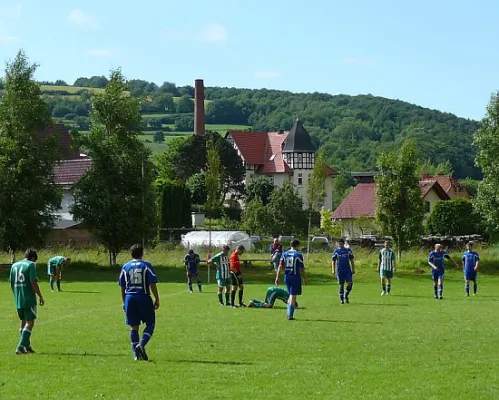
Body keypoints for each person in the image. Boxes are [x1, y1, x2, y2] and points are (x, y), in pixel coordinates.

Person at [119, 244, 160, 361]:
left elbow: (122, 286)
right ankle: (141, 345)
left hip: (129, 298)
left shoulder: (125, 266)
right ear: (142, 253)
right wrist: (157, 298)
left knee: (134, 327)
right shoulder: (146, 265)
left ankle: (136, 355)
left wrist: (123, 301)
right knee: (150, 324)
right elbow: (152, 283)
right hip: (143, 297)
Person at [9, 249, 45, 354]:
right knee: (30, 322)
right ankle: (20, 347)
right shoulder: (30, 265)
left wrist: (16, 295)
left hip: (18, 298)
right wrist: (40, 296)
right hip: (29, 298)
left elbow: (11, 283)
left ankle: (27, 346)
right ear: (33, 258)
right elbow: (33, 281)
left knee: (23, 321)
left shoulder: (14, 265)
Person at [275, 239, 306, 320]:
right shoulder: (298, 255)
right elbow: (301, 268)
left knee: (290, 295)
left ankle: (289, 313)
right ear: (297, 245)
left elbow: (280, 266)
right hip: (295, 277)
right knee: (293, 296)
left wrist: (277, 277)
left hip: (287, 277)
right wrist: (304, 278)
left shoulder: (284, 254)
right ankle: (290, 315)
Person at [332, 238, 355, 304]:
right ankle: (341, 299)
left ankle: (346, 294)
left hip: (347, 270)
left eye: (341, 244)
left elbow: (352, 260)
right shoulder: (336, 251)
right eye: (339, 244)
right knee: (341, 285)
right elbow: (333, 261)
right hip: (340, 270)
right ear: (338, 244)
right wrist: (333, 270)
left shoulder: (348, 250)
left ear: (344, 244)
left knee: (350, 283)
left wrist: (353, 269)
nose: (340, 246)